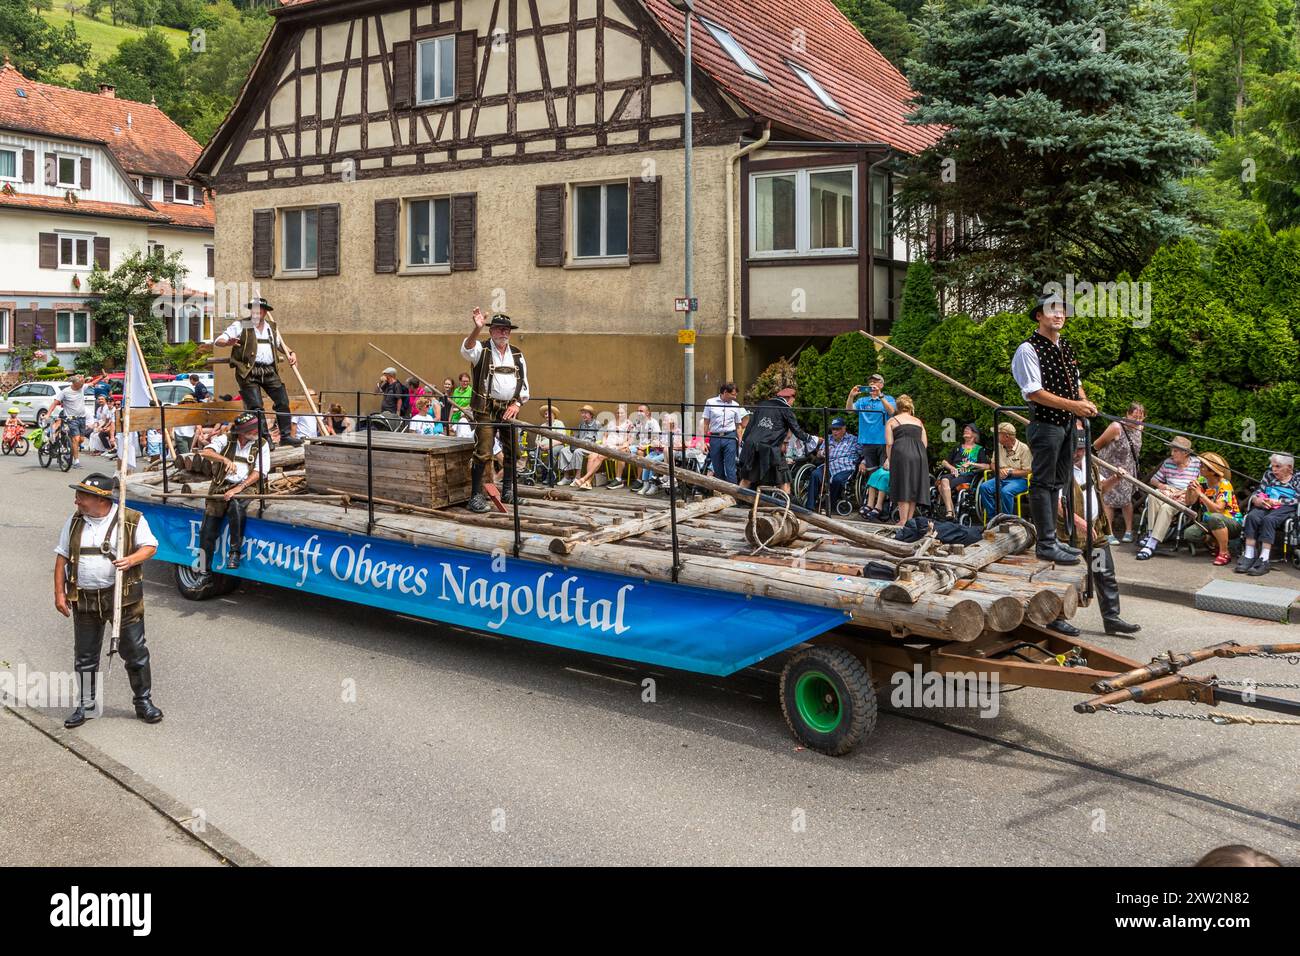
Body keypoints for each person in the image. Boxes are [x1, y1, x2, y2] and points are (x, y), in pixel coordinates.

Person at [54, 472, 162, 727]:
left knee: (135, 653)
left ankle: (143, 702)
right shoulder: (74, 521)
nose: (76, 501)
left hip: (122, 599)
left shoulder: (132, 519)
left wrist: (131, 559)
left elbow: (151, 546)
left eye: (81, 496)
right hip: (85, 598)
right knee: (85, 656)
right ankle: (86, 705)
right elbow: (62, 556)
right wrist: (59, 593)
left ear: (99, 499)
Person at [1011, 295, 1095, 563]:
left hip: (1067, 424)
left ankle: (1054, 539)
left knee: (1058, 482)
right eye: (1052, 311)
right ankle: (1045, 543)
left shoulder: (1066, 347)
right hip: (1046, 424)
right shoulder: (1028, 349)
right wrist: (1074, 406)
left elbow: (1076, 382)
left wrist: (1082, 402)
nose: (1059, 315)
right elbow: (1033, 392)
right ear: (1039, 315)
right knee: (1042, 482)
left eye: (1062, 311)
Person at [1050, 429, 1140, 637]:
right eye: (1075, 449)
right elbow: (1057, 503)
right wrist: (1079, 522)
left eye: (1081, 449)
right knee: (1065, 578)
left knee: (1104, 574)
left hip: (1095, 534)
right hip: (1070, 534)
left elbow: (1102, 489)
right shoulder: (1058, 469)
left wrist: (1116, 478)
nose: (1078, 453)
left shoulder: (1091, 465)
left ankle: (1111, 619)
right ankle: (1057, 620)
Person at [460, 308, 530, 512]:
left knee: (512, 451)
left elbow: (524, 383)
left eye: (506, 330)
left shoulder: (517, 354)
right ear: (491, 332)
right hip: (485, 408)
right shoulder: (481, 349)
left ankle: (508, 492)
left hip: (509, 409)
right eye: (499, 329)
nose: (503, 333)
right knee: (483, 452)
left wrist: (517, 403)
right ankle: (475, 497)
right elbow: (466, 349)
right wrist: (476, 328)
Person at [211, 298, 301, 446]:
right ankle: (265, 439)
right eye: (253, 309)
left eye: (259, 309)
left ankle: (285, 436)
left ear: (265, 312)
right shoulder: (242, 324)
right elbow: (219, 340)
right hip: (248, 371)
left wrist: (291, 352)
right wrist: (227, 342)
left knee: (283, 401)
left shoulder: (271, 327)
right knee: (256, 407)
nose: (256, 312)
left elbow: (280, 346)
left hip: (269, 370)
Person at [196, 412, 271, 572]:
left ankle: (234, 552)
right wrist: (224, 459)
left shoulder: (261, 444)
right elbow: (205, 452)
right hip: (221, 486)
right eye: (252, 430)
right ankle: (203, 571)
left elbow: (260, 471)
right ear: (242, 432)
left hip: (247, 487)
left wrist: (239, 488)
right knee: (206, 531)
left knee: (235, 505)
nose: (256, 433)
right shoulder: (227, 439)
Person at [738, 381, 813, 490]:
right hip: (771, 448)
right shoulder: (786, 409)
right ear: (789, 398)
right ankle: (785, 505)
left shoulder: (762, 405)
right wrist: (809, 438)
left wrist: (744, 441)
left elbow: (750, 425)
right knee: (784, 479)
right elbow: (796, 429)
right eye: (793, 400)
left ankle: (738, 500)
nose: (793, 403)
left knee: (747, 478)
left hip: (753, 445)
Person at [1136, 436, 1200, 560]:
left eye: (1175, 451)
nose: (1172, 454)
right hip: (1168, 492)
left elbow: (1202, 484)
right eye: (1172, 450)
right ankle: (1150, 534)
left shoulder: (1197, 464)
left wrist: (1184, 491)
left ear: (1186, 453)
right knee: (1153, 496)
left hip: (1185, 495)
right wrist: (1163, 486)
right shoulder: (1168, 462)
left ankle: (1151, 544)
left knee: (1166, 508)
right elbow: (1153, 480)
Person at [1235, 454, 1300, 576]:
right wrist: (1257, 499)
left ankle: (1264, 559)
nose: (1274, 469)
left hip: (1285, 508)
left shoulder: (1297, 478)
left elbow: (1298, 499)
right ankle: (1249, 555)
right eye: (1273, 466)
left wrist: (1278, 502)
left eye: (1278, 466)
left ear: (1289, 468)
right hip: (1265, 503)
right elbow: (1260, 490)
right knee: (1252, 516)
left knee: (1269, 520)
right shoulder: (1269, 474)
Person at [1093, 402, 1145, 543]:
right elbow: (1097, 445)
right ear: (1127, 414)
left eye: (1140, 417)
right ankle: (1108, 533)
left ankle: (1128, 531)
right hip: (1109, 467)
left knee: (1126, 500)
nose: (1137, 420)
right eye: (1134, 416)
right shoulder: (1116, 427)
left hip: (1128, 468)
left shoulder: (1140, 428)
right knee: (1108, 500)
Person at [1182, 452, 1241, 566]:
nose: (1200, 468)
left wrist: (1201, 494)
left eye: (1203, 466)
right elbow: (1189, 502)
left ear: (1212, 472)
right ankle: (1214, 541)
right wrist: (1190, 491)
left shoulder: (1224, 484)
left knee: (1215, 518)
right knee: (1189, 534)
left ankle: (1224, 553)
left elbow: (1218, 509)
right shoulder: (1201, 481)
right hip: (1210, 521)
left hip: (1231, 522)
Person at [884, 395, 928, 526]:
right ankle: (909, 520)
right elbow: (924, 443)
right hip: (919, 455)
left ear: (897, 407)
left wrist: (890, 459)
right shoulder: (918, 421)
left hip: (901, 453)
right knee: (914, 486)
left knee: (903, 485)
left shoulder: (892, 421)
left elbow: (889, 443)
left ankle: (902, 520)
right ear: (910, 407)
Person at [979, 422, 1032, 520]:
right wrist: (999, 471)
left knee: (1006, 491)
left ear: (1006, 436)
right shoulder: (998, 446)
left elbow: (1028, 471)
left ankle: (1007, 520)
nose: (995, 436)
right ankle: (993, 519)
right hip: (1002, 478)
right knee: (984, 487)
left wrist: (1009, 472)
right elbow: (993, 464)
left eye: (997, 434)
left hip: (1020, 480)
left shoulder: (1024, 449)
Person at [572, 405, 632, 490]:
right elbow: (605, 435)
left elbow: (629, 440)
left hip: (618, 448)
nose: (619, 414)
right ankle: (588, 483)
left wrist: (619, 447)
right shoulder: (612, 422)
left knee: (599, 457)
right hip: (607, 447)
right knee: (592, 456)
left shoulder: (629, 424)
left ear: (626, 414)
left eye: (622, 413)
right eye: (618, 413)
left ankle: (585, 479)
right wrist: (604, 444)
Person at [936, 423, 988, 518]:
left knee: (941, 487)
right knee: (943, 480)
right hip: (954, 473)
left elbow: (986, 466)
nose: (965, 430)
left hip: (968, 475)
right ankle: (950, 512)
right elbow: (944, 462)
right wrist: (952, 468)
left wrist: (971, 464)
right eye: (965, 429)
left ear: (974, 434)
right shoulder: (957, 448)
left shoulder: (979, 449)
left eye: (968, 429)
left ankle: (951, 512)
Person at [806, 418, 858, 512]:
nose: (835, 432)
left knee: (837, 480)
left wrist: (863, 462)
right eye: (833, 429)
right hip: (829, 466)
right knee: (815, 474)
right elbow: (818, 454)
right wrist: (822, 453)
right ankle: (810, 506)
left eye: (837, 429)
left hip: (845, 467)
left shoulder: (853, 440)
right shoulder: (828, 438)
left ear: (844, 429)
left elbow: (863, 454)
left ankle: (830, 504)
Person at [702, 383, 749, 485]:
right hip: (714, 436)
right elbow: (706, 422)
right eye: (733, 395)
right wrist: (704, 441)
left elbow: (738, 425)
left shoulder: (735, 405)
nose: (735, 397)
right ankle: (721, 492)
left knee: (730, 468)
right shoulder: (710, 402)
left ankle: (733, 494)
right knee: (717, 468)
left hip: (730, 437)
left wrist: (739, 439)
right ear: (725, 392)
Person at [847, 374, 895, 472]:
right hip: (867, 442)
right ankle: (872, 488)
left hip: (883, 442)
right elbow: (849, 410)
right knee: (871, 472)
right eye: (870, 381)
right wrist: (851, 396)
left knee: (884, 472)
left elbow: (891, 411)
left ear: (881, 385)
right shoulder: (862, 401)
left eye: (875, 381)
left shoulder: (889, 399)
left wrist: (880, 396)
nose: (872, 383)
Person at [49, 374, 92, 468]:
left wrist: (102, 377)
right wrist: (48, 414)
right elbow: (54, 403)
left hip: (82, 418)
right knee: (75, 439)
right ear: (75, 383)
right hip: (71, 418)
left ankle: (68, 453)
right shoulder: (65, 392)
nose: (82, 386)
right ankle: (76, 462)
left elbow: (92, 383)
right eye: (80, 384)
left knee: (81, 440)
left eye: (82, 384)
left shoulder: (82, 387)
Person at [556, 405, 597, 485]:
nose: (583, 415)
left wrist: (579, 443)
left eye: (585, 413)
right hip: (579, 445)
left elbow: (596, 439)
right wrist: (573, 439)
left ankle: (577, 477)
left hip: (590, 447)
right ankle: (566, 477)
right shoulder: (582, 424)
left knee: (578, 452)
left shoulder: (596, 424)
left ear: (591, 415)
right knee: (564, 450)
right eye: (582, 413)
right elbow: (577, 436)